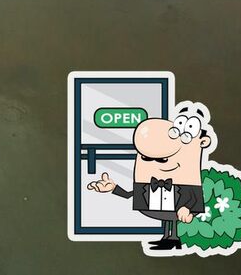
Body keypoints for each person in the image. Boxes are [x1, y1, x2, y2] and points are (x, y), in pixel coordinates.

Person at [87, 105, 212, 252]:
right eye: (146, 158)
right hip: (159, 207)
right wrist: (114, 188)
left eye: (162, 159)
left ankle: (174, 238)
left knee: (171, 218)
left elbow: (193, 198)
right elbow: (129, 195)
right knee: (167, 218)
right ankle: (167, 238)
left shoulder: (189, 182)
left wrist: (187, 209)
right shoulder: (147, 184)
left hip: (179, 210)